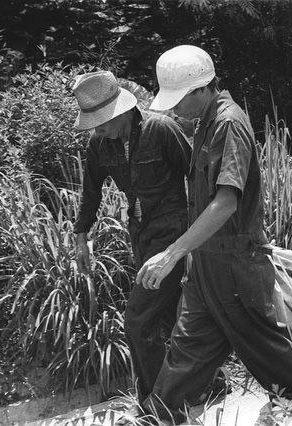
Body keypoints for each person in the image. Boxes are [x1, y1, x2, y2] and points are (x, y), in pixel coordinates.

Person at [135, 45, 292, 423]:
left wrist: (171, 253)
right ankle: (161, 415)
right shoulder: (204, 122)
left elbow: (225, 203)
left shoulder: (229, 124)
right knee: (189, 343)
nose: (173, 109)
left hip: (236, 259)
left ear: (202, 89)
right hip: (207, 260)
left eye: (179, 99)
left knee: (262, 344)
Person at [71, 70, 191, 406]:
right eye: (94, 123)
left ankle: (157, 404)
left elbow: (197, 176)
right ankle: (207, 383)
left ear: (122, 110)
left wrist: (198, 240)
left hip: (172, 236)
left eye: (103, 121)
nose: (99, 129)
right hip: (140, 235)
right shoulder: (99, 144)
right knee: (165, 316)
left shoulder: (162, 130)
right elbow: (90, 193)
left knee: (138, 321)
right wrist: (81, 237)